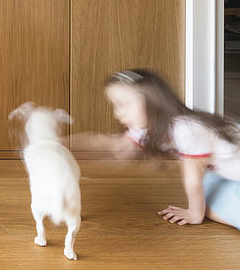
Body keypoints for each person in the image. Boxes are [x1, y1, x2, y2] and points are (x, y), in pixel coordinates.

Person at [70, 69, 240, 229]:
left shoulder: (187, 129)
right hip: (223, 174)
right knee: (206, 192)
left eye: (123, 104)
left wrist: (195, 214)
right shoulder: (145, 127)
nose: (117, 113)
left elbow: (193, 176)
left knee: (203, 198)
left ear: (152, 102)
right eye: (114, 105)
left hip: (232, 173)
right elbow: (114, 147)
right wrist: (56, 145)